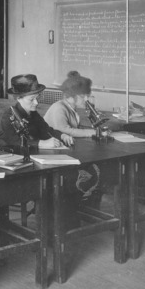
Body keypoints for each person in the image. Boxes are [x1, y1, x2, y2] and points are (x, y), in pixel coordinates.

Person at [43, 70, 102, 207]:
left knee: (93, 169)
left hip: (64, 150)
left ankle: (84, 199)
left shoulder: (71, 108)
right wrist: (90, 132)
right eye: (83, 96)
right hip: (53, 154)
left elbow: (74, 128)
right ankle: (77, 200)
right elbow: (63, 130)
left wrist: (93, 130)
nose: (86, 99)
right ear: (72, 96)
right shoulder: (59, 108)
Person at [0, 74, 73, 152]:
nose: (36, 103)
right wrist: (41, 143)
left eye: (37, 98)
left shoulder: (33, 114)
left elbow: (46, 130)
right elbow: (13, 142)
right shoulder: (8, 117)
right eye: (31, 99)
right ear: (18, 98)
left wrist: (62, 136)